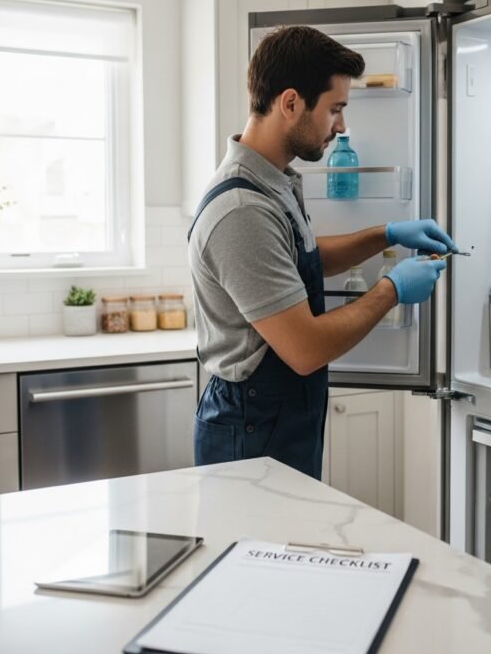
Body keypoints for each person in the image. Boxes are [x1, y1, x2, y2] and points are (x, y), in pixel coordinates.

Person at [188, 25, 457, 479]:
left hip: (277, 419)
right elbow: (305, 349)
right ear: (291, 103)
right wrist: (391, 289)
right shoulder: (242, 211)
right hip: (250, 430)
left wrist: (385, 235)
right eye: (335, 109)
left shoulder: (274, 181)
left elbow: (295, 264)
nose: (342, 126)